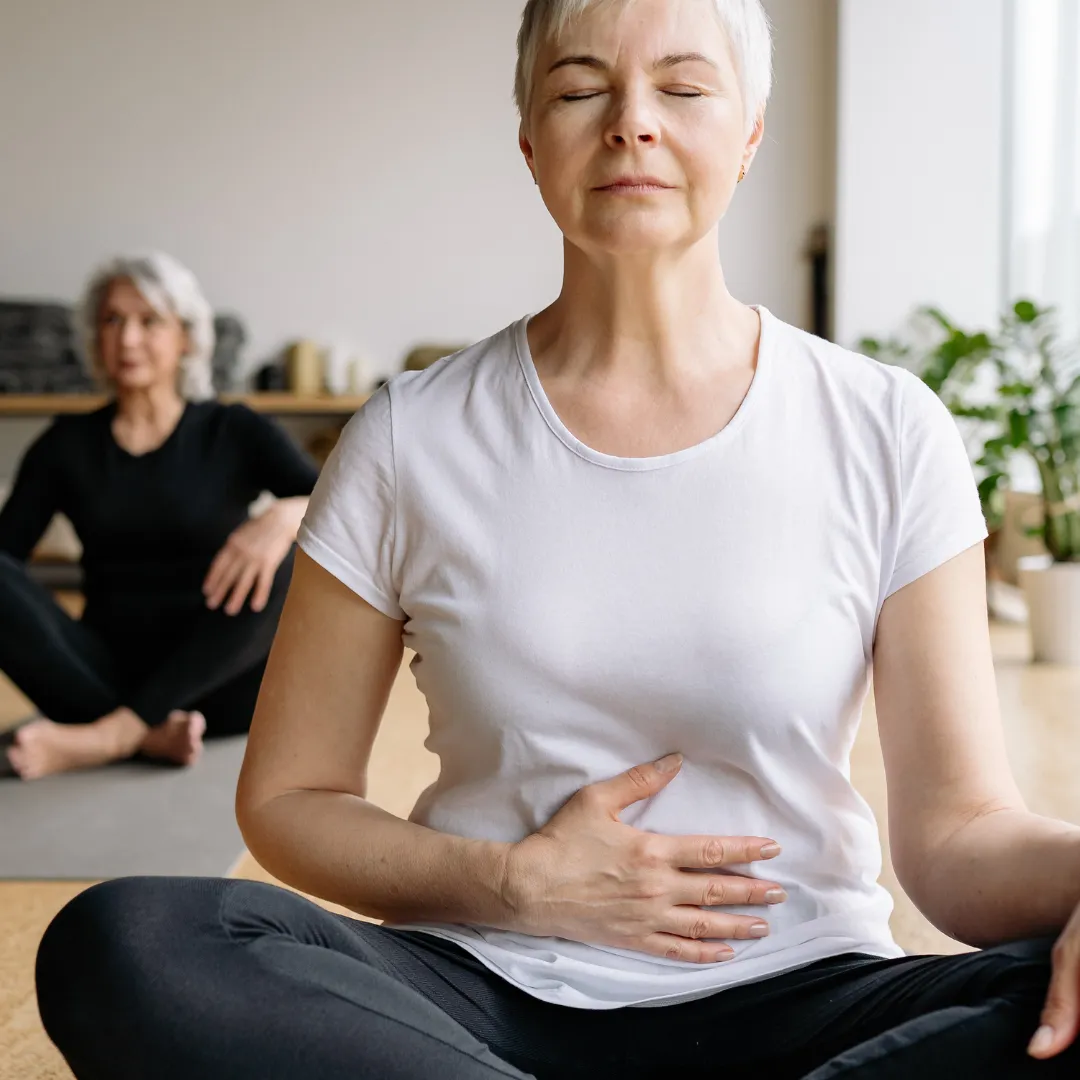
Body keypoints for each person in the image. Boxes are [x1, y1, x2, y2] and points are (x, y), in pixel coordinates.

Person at [33, 1, 1080, 1077]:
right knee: (130, 942)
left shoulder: (887, 426)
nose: (631, 123)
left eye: (681, 88)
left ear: (751, 129)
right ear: (531, 138)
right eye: (582, 89)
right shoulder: (410, 436)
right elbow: (290, 799)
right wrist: (520, 885)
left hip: (804, 994)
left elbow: (957, 839)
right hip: (475, 997)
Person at [0, 253, 319, 781]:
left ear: (186, 338)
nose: (127, 339)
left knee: (297, 553)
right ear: (95, 338)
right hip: (99, 677)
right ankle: (145, 732)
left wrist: (285, 516)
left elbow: (345, 504)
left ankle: (112, 736)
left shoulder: (233, 429)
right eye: (112, 320)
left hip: (221, 683)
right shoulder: (65, 445)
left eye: (149, 321)